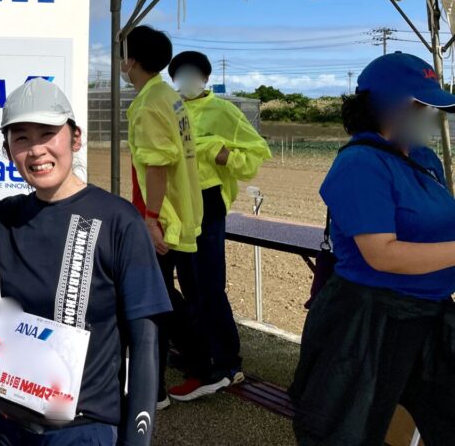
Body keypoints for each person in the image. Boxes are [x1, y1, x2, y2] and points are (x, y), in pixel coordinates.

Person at [0, 78, 168, 445]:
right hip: (3, 420)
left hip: (80, 431)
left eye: (48, 133)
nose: (36, 150)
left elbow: (144, 341)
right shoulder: (3, 218)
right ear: (8, 150)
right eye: (21, 138)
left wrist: (137, 439)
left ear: (76, 138)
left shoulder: (119, 221)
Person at [290, 53, 455, 445]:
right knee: (349, 427)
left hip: (428, 317)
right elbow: (383, 254)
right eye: (423, 106)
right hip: (370, 322)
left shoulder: (425, 159)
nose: (433, 117)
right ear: (387, 104)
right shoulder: (360, 163)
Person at [167, 51, 271, 398]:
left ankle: (227, 363)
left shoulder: (223, 110)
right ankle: (201, 358)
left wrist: (224, 154)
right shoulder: (170, 108)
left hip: (208, 202)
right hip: (177, 203)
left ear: (207, 78)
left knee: (210, 286)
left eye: (194, 74)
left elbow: (256, 153)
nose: (187, 81)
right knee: (191, 285)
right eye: (180, 74)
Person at [121, 26, 204, 409]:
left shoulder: (151, 102)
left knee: (148, 304)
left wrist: (151, 218)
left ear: (132, 60)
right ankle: (199, 361)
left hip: (161, 215)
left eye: (124, 53)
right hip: (177, 211)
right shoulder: (166, 96)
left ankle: (153, 391)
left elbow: (157, 165)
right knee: (163, 297)